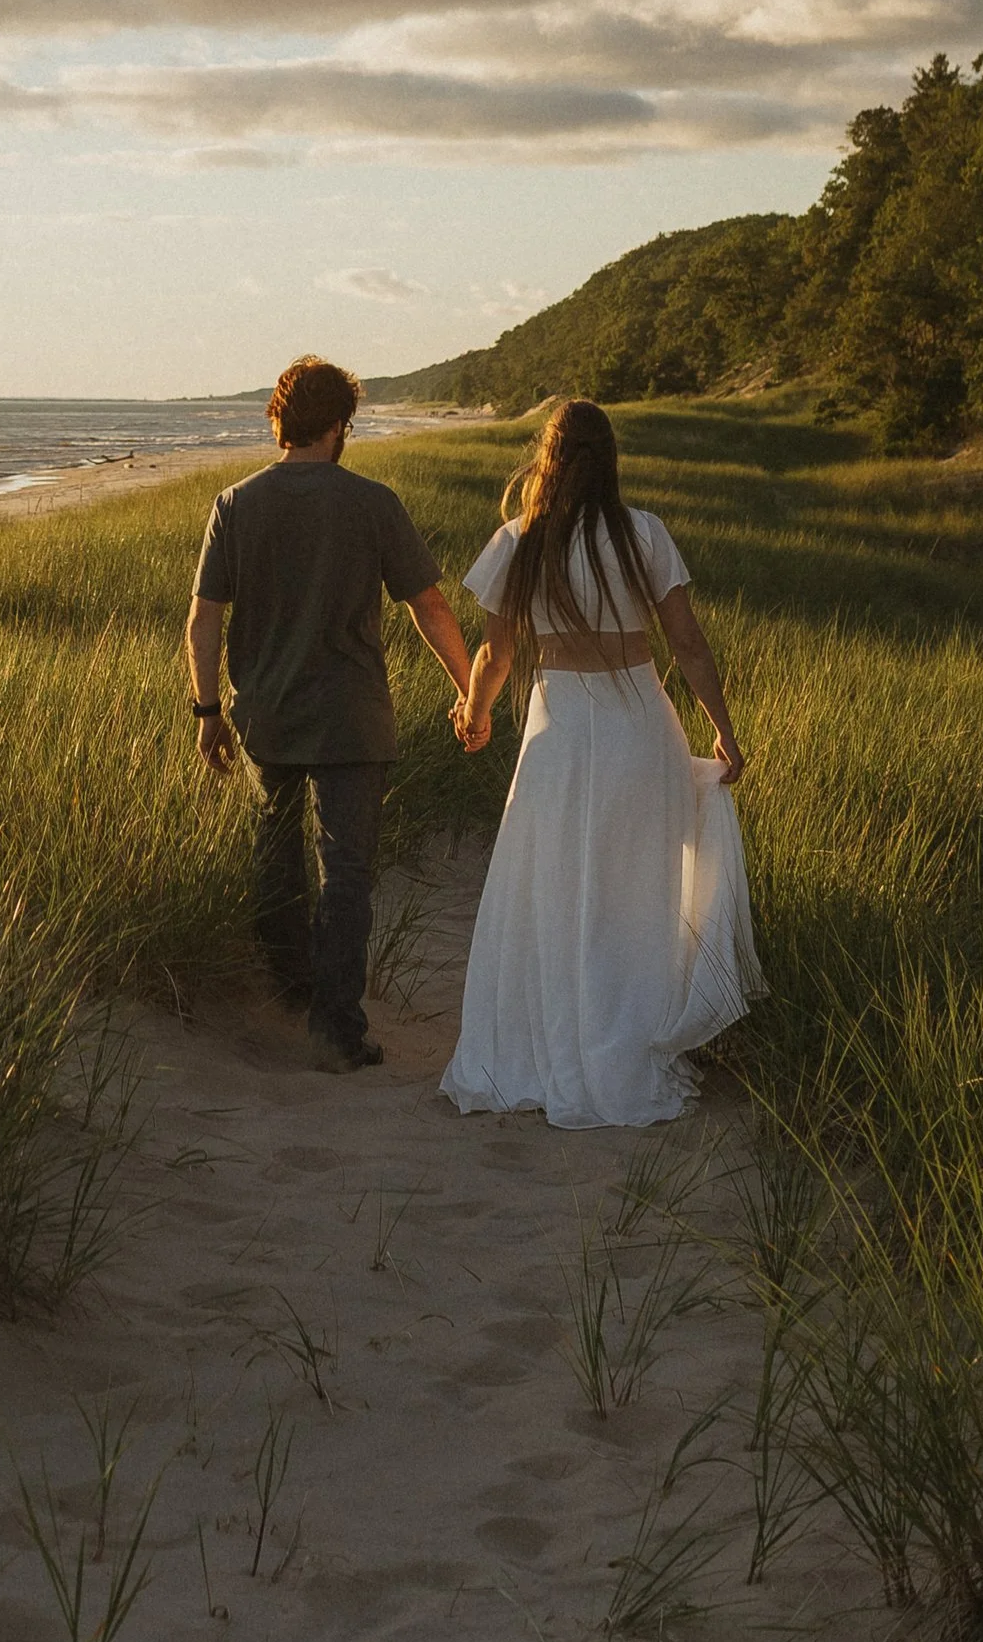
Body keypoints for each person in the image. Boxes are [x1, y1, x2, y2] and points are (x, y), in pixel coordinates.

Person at [441, 398, 755, 1129]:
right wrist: (726, 734)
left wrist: (476, 710)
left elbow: (497, 654)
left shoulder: (519, 540)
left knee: (552, 885)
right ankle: (627, 1033)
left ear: (546, 458)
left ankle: (553, 1040)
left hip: (560, 729)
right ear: (609, 458)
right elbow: (690, 646)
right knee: (633, 889)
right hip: (638, 727)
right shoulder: (642, 534)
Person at [187, 356, 473, 1073]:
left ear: (279, 420)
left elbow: (203, 620)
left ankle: (293, 995)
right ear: (342, 426)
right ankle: (335, 1027)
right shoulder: (372, 502)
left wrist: (206, 709)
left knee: (274, 862)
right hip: (352, 718)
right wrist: (470, 688)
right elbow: (429, 608)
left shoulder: (235, 503)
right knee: (346, 873)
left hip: (267, 717)